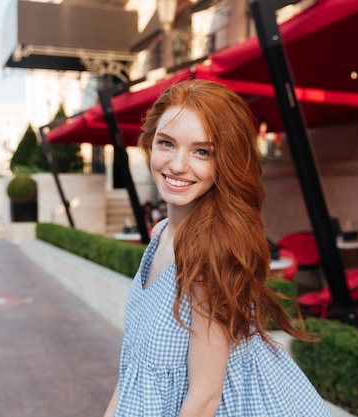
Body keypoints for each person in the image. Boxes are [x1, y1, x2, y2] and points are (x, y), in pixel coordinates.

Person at [103, 80, 332, 417]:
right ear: (149, 144)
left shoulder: (209, 256)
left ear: (225, 161)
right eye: (166, 143)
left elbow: (205, 398)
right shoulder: (161, 233)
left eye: (202, 151)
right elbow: (133, 366)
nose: (178, 165)